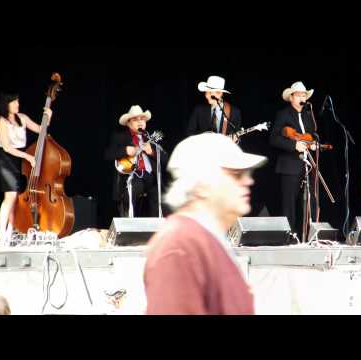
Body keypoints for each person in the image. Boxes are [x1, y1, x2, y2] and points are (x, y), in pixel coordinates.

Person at [143, 132, 267, 315]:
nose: (249, 180)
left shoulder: (205, 239)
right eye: (236, 175)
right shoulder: (179, 245)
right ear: (201, 186)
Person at [0, 93, 52, 247]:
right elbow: (7, 147)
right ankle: (2, 233)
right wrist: (28, 157)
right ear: (6, 104)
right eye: (14, 102)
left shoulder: (23, 118)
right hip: (6, 159)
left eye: (18, 102)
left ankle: (10, 231)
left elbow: (42, 131)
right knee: (10, 196)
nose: (17, 104)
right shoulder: (2, 122)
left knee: (17, 198)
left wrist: (48, 117)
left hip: (19, 159)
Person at [269, 81, 318, 239]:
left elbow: (312, 135)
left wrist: (314, 144)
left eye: (304, 95)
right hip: (289, 166)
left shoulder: (308, 115)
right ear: (291, 97)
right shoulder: (283, 114)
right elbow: (274, 139)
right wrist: (293, 145)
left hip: (307, 165)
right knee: (289, 204)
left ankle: (307, 236)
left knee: (309, 202)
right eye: (299, 95)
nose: (302, 98)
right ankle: (289, 237)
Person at [105, 105, 168, 218]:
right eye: (135, 119)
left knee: (160, 196)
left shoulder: (150, 139)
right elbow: (108, 154)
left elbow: (165, 159)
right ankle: (128, 224)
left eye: (142, 119)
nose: (140, 122)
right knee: (132, 191)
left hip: (151, 178)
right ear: (129, 123)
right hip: (132, 176)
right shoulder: (120, 137)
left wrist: (152, 152)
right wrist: (125, 150)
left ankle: (156, 229)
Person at [186, 75, 242, 140]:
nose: (207, 96)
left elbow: (238, 137)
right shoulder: (198, 109)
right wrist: (205, 137)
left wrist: (235, 140)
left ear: (220, 93)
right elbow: (189, 133)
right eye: (206, 92)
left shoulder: (235, 112)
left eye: (210, 93)